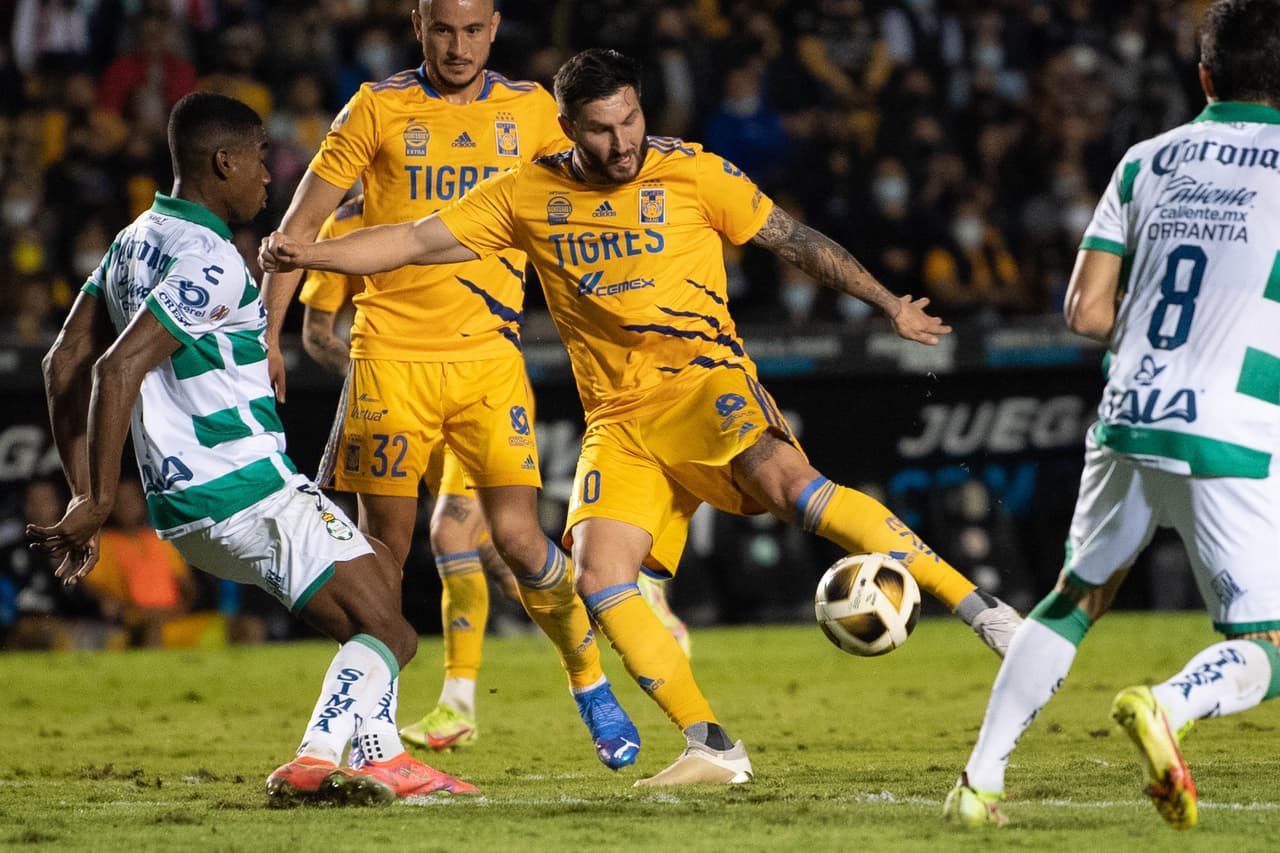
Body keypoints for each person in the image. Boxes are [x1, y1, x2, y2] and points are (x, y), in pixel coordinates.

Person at [260, 47, 1024, 786]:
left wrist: (889, 304)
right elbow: (412, 239)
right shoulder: (526, 193)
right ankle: (712, 744)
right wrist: (305, 254)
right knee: (598, 574)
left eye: (629, 119)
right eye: (600, 127)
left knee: (794, 486)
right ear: (568, 128)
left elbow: (794, 240)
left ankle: (990, 618)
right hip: (618, 421)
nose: (621, 140)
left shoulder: (690, 170)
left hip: (702, 381)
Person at [26, 92, 477, 807]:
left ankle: (381, 753)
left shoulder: (132, 241)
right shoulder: (213, 259)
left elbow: (62, 363)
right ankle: (316, 754)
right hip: (247, 488)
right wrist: (97, 499)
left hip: (188, 513)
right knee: (394, 625)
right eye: (262, 158)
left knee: (364, 617)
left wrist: (86, 484)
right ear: (224, 162)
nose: (270, 175)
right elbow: (115, 368)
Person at [261, 0, 641, 770]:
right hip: (389, 359)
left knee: (520, 538)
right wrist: (268, 336)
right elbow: (296, 233)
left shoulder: (533, 111)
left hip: (489, 358)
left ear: (496, 27)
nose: (459, 46)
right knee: (382, 557)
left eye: (473, 30)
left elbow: (613, 172)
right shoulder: (376, 108)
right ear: (419, 25)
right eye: (444, 30)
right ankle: (375, 735)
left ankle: (590, 682)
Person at [942, 0, 1280, 830]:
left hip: (1129, 408)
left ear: (1204, 76)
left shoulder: (1145, 161)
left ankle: (979, 783)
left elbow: (1086, 312)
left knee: (1074, 597)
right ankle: (1168, 703)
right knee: (1269, 646)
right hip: (1230, 428)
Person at [298, 193, 692, 750]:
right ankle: (616, 600)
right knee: (457, 559)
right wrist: (362, 374)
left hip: (480, 387)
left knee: (474, 535)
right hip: (395, 393)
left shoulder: (476, 203)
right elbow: (317, 332)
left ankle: (559, 679)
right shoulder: (345, 224)